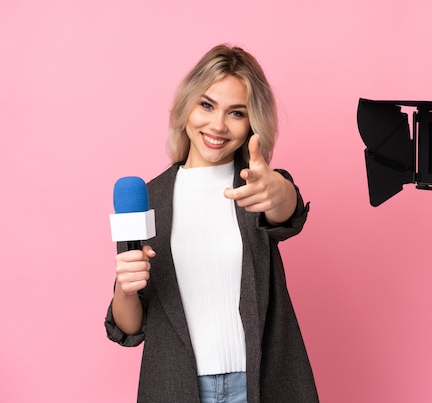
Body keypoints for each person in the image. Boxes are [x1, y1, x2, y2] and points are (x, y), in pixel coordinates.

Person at [105, 44, 319, 403]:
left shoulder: (255, 185)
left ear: (253, 123)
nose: (218, 125)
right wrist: (125, 290)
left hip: (259, 385)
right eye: (207, 105)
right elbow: (130, 327)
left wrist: (278, 191)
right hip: (176, 388)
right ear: (186, 106)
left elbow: (286, 208)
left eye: (236, 113)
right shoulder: (150, 197)